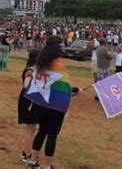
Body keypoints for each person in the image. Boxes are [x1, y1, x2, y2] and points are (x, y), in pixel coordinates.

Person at [27, 36, 82, 169]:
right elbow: (64, 86)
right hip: (56, 105)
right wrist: (75, 90)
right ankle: (47, 166)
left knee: (41, 131)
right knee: (52, 135)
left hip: (42, 102)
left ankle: (33, 162)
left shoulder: (41, 62)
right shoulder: (58, 64)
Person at [18, 49, 40, 164]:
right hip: (29, 101)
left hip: (29, 100)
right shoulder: (31, 70)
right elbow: (26, 85)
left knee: (31, 128)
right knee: (31, 129)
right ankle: (27, 153)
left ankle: (25, 152)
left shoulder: (32, 70)